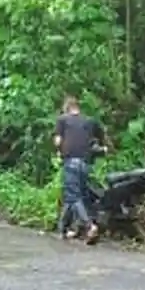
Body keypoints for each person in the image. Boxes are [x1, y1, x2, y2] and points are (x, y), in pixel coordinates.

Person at [54, 95, 106, 242]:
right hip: (85, 164)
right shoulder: (89, 121)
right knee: (73, 196)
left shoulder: (62, 120)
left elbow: (58, 141)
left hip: (70, 162)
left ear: (66, 107)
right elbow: (101, 136)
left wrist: (59, 150)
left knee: (74, 197)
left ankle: (90, 226)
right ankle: (62, 229)